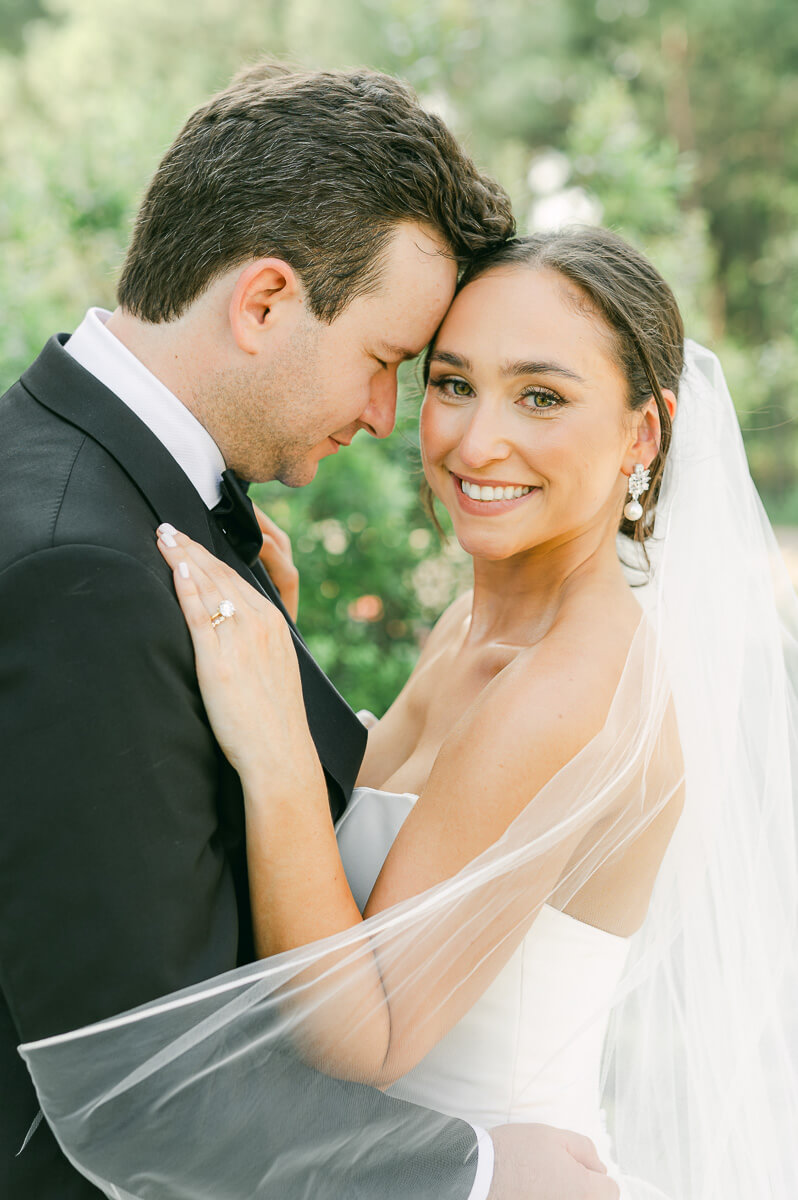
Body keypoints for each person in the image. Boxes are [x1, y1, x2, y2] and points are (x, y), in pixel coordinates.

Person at [30, 226, 796, 1199]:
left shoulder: (571, 687)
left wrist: (276, 750)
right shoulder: (471, 623)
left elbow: (369, 1032)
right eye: (450, 383)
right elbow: (367, 857)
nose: (477, 440)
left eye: (542, 396)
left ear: (641, 434)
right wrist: (285, 656)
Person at [0, 62, 618, 1200]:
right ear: (266, 301)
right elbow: (145, 1090)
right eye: (388, 362)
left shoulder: (136, 506)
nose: (390, 419)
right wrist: (483, 1172)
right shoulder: (84, 567)